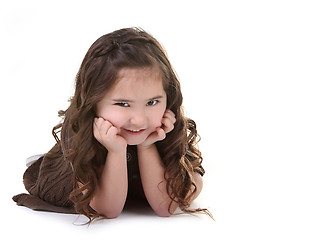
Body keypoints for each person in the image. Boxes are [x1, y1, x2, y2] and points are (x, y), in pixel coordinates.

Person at [13, 27, 210, 222]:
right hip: (93, 169)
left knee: (190, 183)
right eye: (123, 104)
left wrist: (147, 145)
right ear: (93, 102)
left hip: (152, 172)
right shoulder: (80, 130)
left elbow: (165, 207)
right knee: (71, 183)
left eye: (152, 102)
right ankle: (47, 159)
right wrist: (116, 152)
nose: (139, 120)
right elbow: (108, 210)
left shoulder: (165, 126)